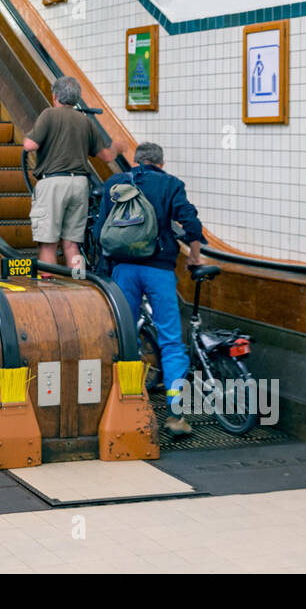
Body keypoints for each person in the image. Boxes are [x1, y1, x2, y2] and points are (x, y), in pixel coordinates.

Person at [92, 142, 204, 438]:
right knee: (171, 342)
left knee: (126, 339)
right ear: (161, 163)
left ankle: (129, 407)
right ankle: (176, 415)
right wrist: (193, 255)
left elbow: (99, 229)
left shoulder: (115, 182)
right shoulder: (170, 184)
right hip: (159, 270)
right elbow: (190, 223)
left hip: (123, 270)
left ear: (135, 161)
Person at [22, 76, 117, 269]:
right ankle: (80, 284)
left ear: (55, 95)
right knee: (72, 244)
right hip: (80, 184)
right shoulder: (85, 121)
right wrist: (119, 148)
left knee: (48, 244)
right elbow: (106, 156)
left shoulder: (49, 115)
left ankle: (48, 288)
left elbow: (29, 145)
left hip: (54, 183)